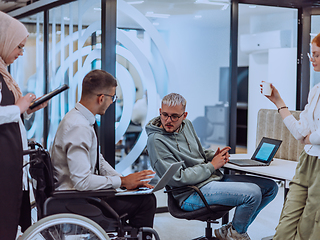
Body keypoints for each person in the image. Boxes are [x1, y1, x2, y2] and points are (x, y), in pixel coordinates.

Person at [146, 93, 278, 240]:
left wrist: (214, 156)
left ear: (184, 115)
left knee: (271, 187)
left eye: (174, 116)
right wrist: (211, 166)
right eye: (165, 115)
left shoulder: (187, 125)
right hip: (190, 193)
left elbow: (198, 152)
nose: (168, 120)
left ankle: (232, 230)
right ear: (160, 112)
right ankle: (236, 234)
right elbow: (177, 178)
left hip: (210, 179)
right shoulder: (156, 141)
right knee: (252, 193)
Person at [50, 69, 156, 239]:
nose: (112, 102)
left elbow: (97, 159)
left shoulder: (80, 119)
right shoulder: (79, 127)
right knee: (146, 202)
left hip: (81, 195)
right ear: (101, 98)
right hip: (76, 199)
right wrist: (121, 181)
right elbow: (82, 182)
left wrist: (124, 182)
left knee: (141, 196)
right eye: (113, 97)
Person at [261, 32, 320, 240]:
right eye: (310, 54)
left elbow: (311, 136)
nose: (312, 59)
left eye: (316, 54)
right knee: (284, 228)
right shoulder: (315, 90)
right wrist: (278, 101)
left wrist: (310, 138)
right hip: (307, 162)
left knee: (310, 230)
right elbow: (299, 132)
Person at [0, 11, 47, 239]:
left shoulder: (4, 74)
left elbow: (8, 117)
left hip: (10, 161)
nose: (21, 53)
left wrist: (26, 111)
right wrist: (18, 108)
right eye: (18, 46)